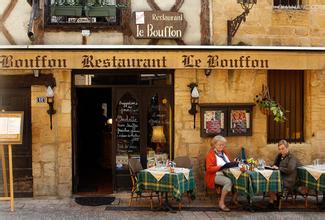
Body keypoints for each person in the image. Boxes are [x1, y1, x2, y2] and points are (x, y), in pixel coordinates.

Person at [205, 135, 238, 212]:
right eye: (219, 145)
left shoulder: (224, 152)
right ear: (214, 145)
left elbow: (227, 162)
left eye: (223, 145)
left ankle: (234, 198)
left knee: (238, 177)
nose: (221, 146)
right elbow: (209, 169)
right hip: (215, 175)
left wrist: (233, 162)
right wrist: (220, 167)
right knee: (228, 181)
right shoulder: (210, 154)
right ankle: (221, 202)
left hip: (226, 173)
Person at [268, 139, 300, 208]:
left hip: (288, 179)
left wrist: (278, 168)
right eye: (279, 149)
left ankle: (273, 201)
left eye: (283, 149)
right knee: (268, 180)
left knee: (273, 181)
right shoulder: (279, 156)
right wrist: (271, 166)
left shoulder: (291, 157)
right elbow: (275, 165)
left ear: (287, 147)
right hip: (278, 177)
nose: (281, 151)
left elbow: (290, 169)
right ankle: (273, 200)